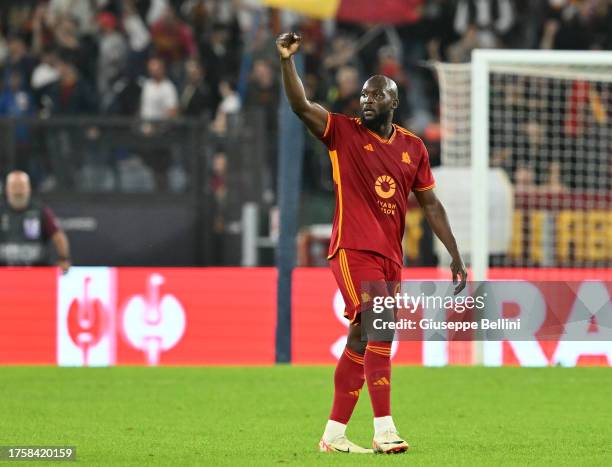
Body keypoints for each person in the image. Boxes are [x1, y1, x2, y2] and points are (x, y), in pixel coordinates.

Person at [277, 32, 467, 454]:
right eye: (364, 93)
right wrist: (287, 62)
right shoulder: (341, 133)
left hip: (390, 258)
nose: (366, 99)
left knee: (363, 338)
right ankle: (384, 430)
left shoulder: (413, 148)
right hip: (353, 248)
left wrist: (453, 253)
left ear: (392, 102)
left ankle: (333, 435)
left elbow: (431, 204)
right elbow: (300, 106)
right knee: (382, 329)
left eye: (376, 95)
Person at [0, 171, 70, 273]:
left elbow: (59, 236)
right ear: (7, 189)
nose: (18, 191)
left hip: (38, 273)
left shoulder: (41, 211)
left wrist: (63, 259)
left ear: (29, 188)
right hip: (4, 274)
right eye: (14, 186)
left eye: (21, 186)